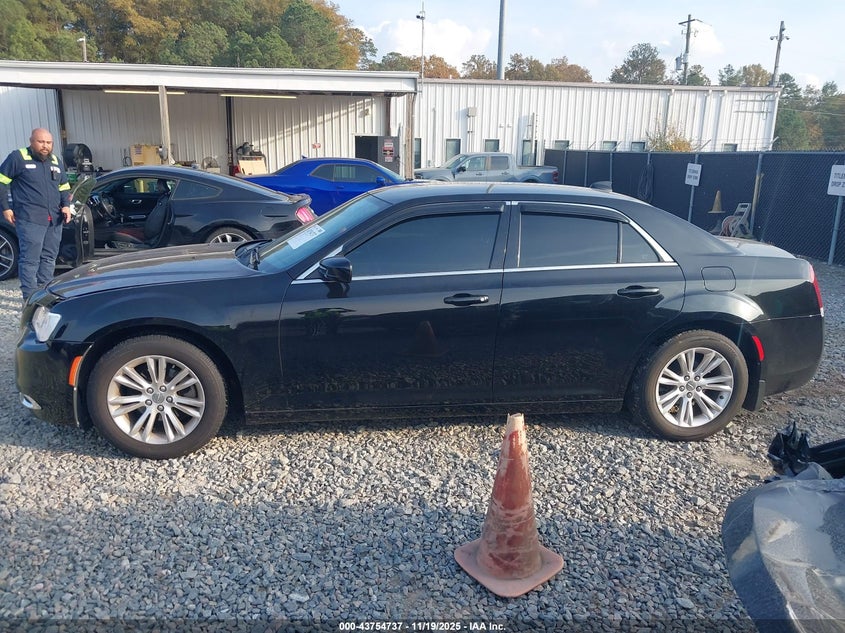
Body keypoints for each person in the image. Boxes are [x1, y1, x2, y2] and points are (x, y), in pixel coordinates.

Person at [0, 128, 72, 302]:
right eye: (41, 142)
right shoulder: (18, 158)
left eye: (49, 143)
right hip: (30, 218)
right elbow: (1, 182)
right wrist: (6, 208)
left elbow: (64, 187)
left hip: (54, 219)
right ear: (31, 141)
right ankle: (30, 300)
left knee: (49, 258)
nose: (45, 146)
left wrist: (66, 206)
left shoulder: (55, 161)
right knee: (30, 260)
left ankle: (45, 297)